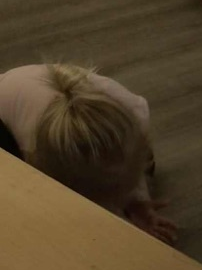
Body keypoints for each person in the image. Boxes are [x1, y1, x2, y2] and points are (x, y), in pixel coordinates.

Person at [0, 63, 177, 244]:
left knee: (142, 164)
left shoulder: (136, 113)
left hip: (37, 88)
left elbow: (129, 164)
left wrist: (138, 200)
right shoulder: (32, 150)